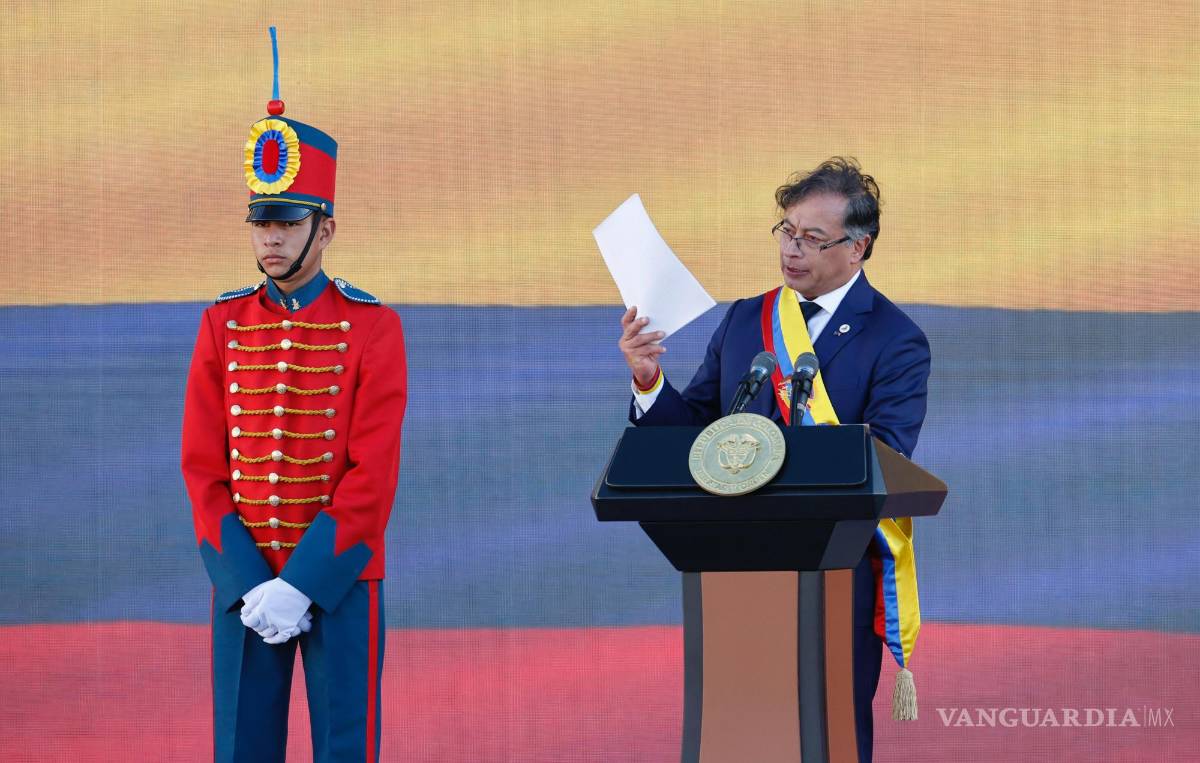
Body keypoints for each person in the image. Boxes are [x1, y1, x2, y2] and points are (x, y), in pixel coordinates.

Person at [618, 157, 930, 762]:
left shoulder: (895, 338)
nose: (793, 250)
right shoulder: (745, 320)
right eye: (787, 232)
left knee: (827, 730)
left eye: (813, 238)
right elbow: (698, 434)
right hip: (735, 570)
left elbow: (889, 454)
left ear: (858, 247)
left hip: (835, 572)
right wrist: (651, 382)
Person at [181, 29, 407, 762]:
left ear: (325, 228)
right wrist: (249, 582)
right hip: (246, 582)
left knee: (346, 747)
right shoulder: (221, 323)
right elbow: (202, 469)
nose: (270, 239)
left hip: (336, 578)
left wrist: (303, 583)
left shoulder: (372, 327)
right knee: (243, 748)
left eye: (286, 222)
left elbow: (370, 478)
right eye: (261, 223)